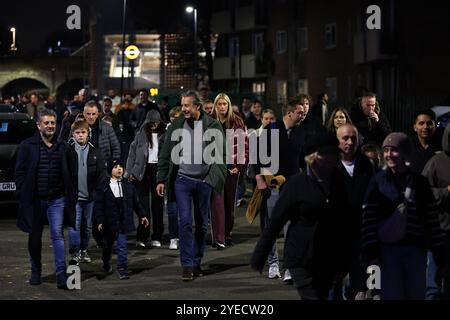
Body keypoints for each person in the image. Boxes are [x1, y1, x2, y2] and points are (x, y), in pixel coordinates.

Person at [251, 133, 350, 299]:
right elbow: (276, 221)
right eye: (324, 154)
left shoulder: (340, 182)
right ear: (312, 157)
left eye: (333, 154)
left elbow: (347, 220)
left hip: (330, 257)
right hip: (301, 255)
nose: (330, 159)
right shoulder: (296, 184)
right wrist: (259, 256)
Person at [362, 132, 447, 300]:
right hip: (387, 252)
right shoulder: (377, 182)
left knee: (415, 294)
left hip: (416, 251)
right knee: (390, 295)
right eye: (386, 150)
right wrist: (371, 254)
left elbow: (432, 221)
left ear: (405, 152)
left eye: (394, 150)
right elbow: (368, 221)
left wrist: (440, 255)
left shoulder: (420, 183)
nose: (388, 155)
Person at [156, 90, 226, 281]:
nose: (184, 109)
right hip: (182, 181)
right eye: (183, 105)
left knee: (202, 224)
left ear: (197, 106)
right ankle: (187, 264)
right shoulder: (176, 126)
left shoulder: (213, 126)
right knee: (185, 220)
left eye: (187, 105)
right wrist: (161, 179)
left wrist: (212, 180)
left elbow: (221, 157)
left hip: (203, 182)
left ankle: (196, 261)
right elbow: (165, 153)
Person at [14, 109, 76, 289]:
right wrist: (22, 191)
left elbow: (71, 173)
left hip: (56, 200)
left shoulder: (63, 147)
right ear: (38, 125)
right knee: (34, 237)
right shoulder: (27, 146)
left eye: (52, 123)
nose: (50, 126)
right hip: (34, 201)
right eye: (46, 123)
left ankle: (61, 274)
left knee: (57, 235)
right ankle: (36, 272)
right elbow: (19, 172)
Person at [253, 100, 305, 280]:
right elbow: (256, 154)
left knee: (291, 226)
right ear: (289, 113)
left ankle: (289, 266)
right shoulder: (271, 129)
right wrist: (258, 178)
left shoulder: (300, 132)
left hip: (293, 186)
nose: (303, 115)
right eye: (300, 112)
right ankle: (273, 263)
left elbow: (304, 158)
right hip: (271, 185)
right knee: (271, 226)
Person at [335, 124, 375, 299]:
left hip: (360, 232)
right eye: (345, 138)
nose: (350, 142)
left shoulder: (365, 164)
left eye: (353, 138)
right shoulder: (328, 163)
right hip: (336, 234)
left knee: (361, 284)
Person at [95, 160, 149, 279]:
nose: (119, 169)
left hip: (122, 221)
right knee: (107, 245)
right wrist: (99, 221)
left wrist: (142, 215)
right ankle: (106, 263)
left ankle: (122, 268)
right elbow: (99, 206)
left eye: (121, 167)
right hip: (108, 222)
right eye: (115, 167)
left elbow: (136, 203)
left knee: (122, 245)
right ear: (110, 170)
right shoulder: (104, 186)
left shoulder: (128, 186)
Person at [210, 93, 248, 248]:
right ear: (215, 105)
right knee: (217, 203)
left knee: (229, 202)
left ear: (228, 105)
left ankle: (227, 233)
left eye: (224, 104)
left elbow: (243, 145)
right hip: (215, 167)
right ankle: (218, 238)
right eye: (219, 104)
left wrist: (238, 167)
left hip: (231, 167)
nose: (222, 107)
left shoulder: (236, 121)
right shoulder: (210, 121)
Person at [66, 119, 107, 265]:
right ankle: (74, 252)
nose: (80, 135)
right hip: (74, 197)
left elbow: (102, 173)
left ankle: (83, 250)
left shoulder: (95, 151)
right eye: (77, 133)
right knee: (75, 225)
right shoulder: (67, 150)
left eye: (83, 132)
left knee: (87, 227)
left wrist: (97, 191)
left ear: (88, 134)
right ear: (73, 135)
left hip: (90, 197)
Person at [126, 110, 165, 248]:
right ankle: (142, 236)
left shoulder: (165, 135)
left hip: (158, 172)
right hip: (141, 172)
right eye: (151, 122)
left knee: (158, 206)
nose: (154, 125)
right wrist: (128, 172)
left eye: (156, 122)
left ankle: (157, 236)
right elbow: (132, 154)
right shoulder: (140, 134)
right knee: (143, 207)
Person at [422, 123, 450, 300]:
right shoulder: (436, 162)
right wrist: (446, 192)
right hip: (441, 231)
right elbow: (422, 193)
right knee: (433, 284)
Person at [409, 108, 441, 173]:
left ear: (435, 125)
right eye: (421, 123)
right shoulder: (407, 146)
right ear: (415, 127)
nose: (425, 127)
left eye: (429, 123)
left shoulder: (443, 147)